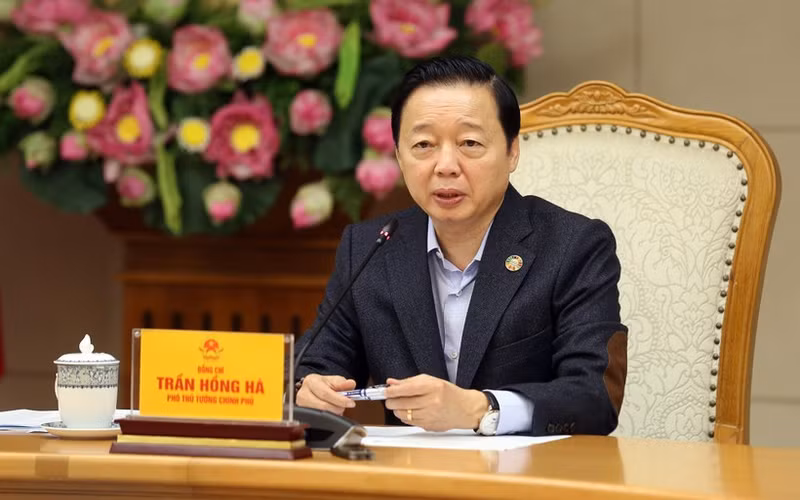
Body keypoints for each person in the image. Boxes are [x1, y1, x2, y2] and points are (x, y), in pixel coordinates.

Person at [294, 56, 627, 436]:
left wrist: (481, 407)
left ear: (512, 150)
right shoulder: (370, 247)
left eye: (470, 143)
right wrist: (311, 389)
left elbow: (595, 396)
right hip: (407, 485)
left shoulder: (573, 246)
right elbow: (313, 365)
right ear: (400, 156)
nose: (446, 165)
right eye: (423, 145)